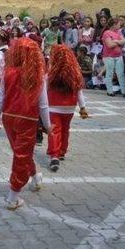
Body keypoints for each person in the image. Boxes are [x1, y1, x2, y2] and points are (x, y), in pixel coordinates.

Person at [0, 38, 50, 210]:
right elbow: (43, 104)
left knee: (20, 153)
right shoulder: (37, 75)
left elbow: (0, 98)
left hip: (8, 118)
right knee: (21, 155)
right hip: (27, 119)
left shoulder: (8, 72)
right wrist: (47, 124)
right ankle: (13, 196)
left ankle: (36, 176)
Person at [46, 44, 89, 172]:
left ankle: (54, 155)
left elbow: (44, 89)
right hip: (70, 106)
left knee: (54, 130)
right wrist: (82, 107)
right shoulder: (75, 72)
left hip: (53, 106)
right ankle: (62, 151)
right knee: (65, 129)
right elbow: (79, 91)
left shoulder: (51, 72)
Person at [101, 18, 125, 96]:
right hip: (109, 56)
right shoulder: (106, 33)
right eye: (118, 24)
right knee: (109, 73)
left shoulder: (119, 32)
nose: (120, 25)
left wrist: (116, 41)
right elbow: (110, 45)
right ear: (114, 25)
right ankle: (110, 91)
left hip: (119, 56)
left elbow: (124, 41)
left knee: (121, 73)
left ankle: (124, 91)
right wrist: (119, 42)